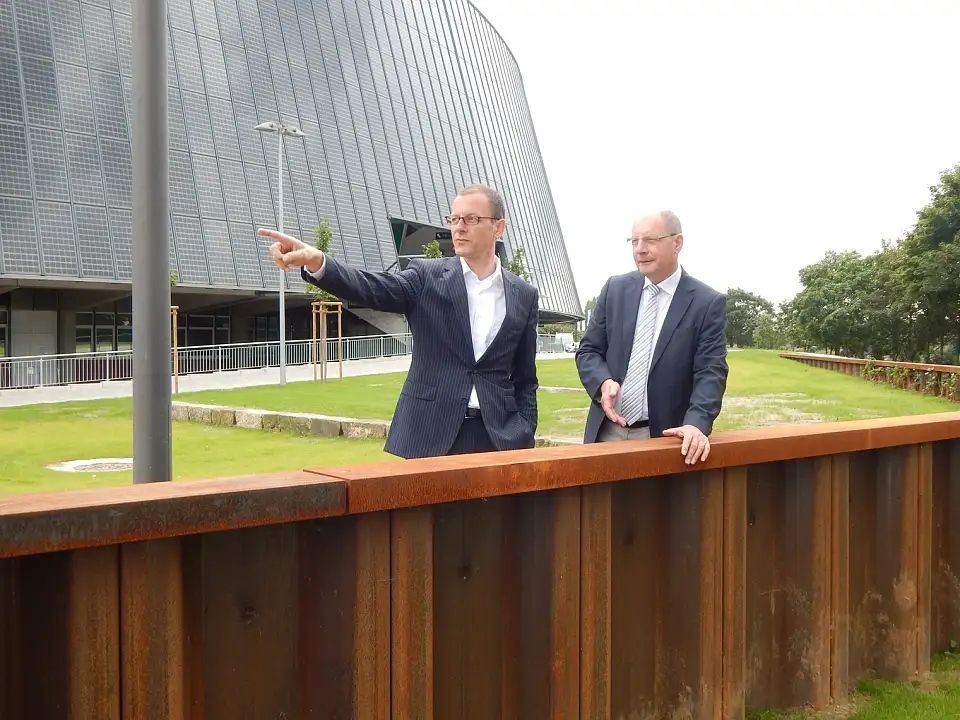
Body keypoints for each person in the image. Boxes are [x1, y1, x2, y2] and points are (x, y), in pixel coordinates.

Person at [257, 184, 540, 459]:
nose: (459, 227)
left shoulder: (523, 295)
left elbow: (525, 378)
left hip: (498, 439)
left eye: (471, 219)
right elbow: (374, 287)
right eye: (454, 219)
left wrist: (524, 429)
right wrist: (320, 262)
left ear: (498, 227)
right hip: (431, 436)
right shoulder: (425, 276)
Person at [575, 210, 728, 464]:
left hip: (664, 439)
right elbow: (588, 351)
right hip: (606, 434)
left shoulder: (706, 303)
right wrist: (603, 382)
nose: (640, 249)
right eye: (634, 241)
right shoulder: (615, 289)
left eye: (650, 240)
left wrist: (696, 424)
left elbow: (711, 371)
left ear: (677, 243)